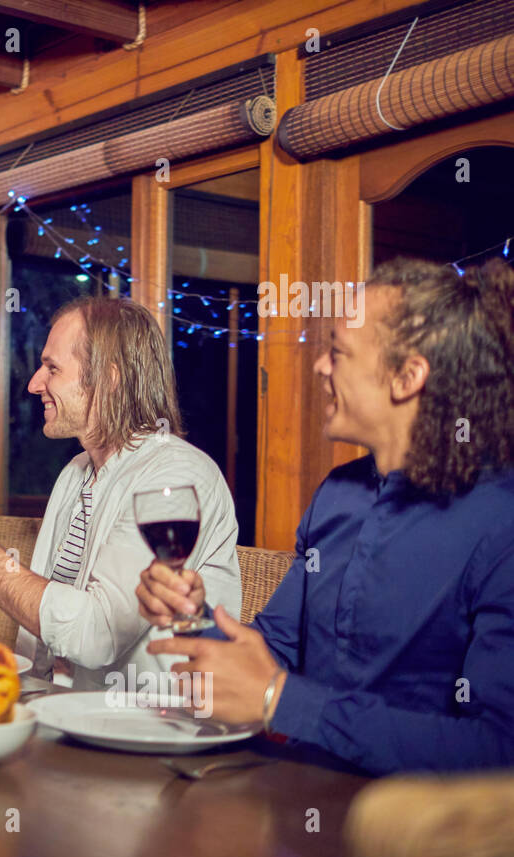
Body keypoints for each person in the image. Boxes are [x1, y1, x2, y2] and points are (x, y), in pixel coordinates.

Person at [136, 258, 514, 775]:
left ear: (406, 377)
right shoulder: (339, 495)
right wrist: (192, 616)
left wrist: (281, 700)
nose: (319, 366)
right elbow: (277, 650)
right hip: (291, 799)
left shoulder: (500, 521)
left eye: (337, 352)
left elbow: (498, 751)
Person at [0, 295, 241, 685]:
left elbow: (97, 636)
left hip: (140, 726)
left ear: (108, 380)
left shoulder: (174, 477)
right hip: (58, 710)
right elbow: (43, 642)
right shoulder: (76, 472)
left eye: (52, 369)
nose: (34, 384)